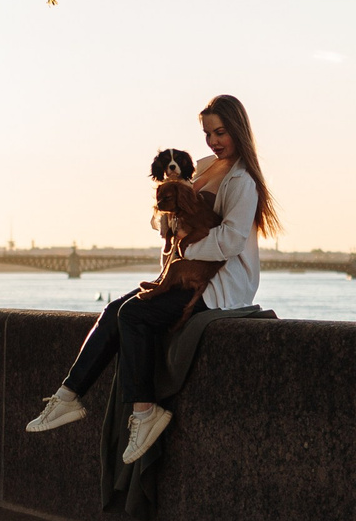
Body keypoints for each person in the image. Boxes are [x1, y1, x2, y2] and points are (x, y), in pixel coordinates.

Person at [25, 94, 276, 464]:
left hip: (219, 286)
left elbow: (231, 240)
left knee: (133, 315)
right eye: (208, 133)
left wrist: (186, 249)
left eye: (220, 132)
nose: (213, 141)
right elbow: (170, 220)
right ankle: (68, 397)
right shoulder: (205, 168)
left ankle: (145, 414)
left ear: (238, 130)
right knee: (114, 309)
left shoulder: (243, 182)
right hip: (182, 273)